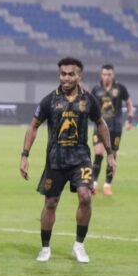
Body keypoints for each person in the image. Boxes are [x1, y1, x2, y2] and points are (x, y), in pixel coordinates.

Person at [20, 57, 115, 264]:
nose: (66, 78)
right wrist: (25, 155)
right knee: (51, 202)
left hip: (80, 158)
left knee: (85, 197)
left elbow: (101, 124)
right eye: (63, 74)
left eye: (71, 74)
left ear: (79, 76)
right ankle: (45, 247)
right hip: (56, 160)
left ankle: (79, 245)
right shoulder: (49, 100)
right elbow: (33, 126)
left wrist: (110, 153)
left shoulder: (89, 100)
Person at [90, 64, 135, 196]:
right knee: (98, 154)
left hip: (115, 127)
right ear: (101, 75)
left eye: (109, 74)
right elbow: (90, 105)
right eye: (104, 74)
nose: (106, 77)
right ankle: (94, 184)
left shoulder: (120, 88)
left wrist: (130, 119)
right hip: (99, 126)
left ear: (113, 75)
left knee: (112, 156)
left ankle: (107, 185)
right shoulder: (96, 89)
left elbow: (129, 104)